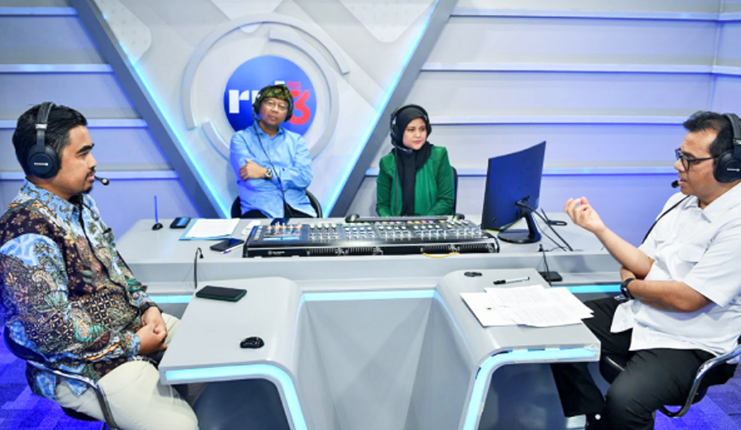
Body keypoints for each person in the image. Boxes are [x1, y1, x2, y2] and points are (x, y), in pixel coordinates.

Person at [0, 103, 198, 430]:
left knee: (210, 359)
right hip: (79, 364)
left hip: (127, 330)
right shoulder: (25, 234)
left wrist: (147, 307)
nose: (93, 162)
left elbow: (114, 266)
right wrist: (135, 344)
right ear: (43, 162)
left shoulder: (80, 203)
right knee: (180, 426)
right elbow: (54, 335)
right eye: (83, 154)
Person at [550, 111, 741, 430]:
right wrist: (599, 229)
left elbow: (688, 299)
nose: (678, 165)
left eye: (690, 160)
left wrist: (631, 287)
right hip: (642, 313)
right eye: (680, 155)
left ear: (729, 166)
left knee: (626, 402)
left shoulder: (736, 224)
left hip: (690, 342)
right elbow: (643, 264)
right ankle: (593, 417)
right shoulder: (680, 202)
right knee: (557, 328)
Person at [229, 83, 316, 218]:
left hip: (298, 209)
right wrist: (288, 179)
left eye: (282, 106)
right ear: (258, 106)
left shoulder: (296, 141)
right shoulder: (241, 139)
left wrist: (265, 172)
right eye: (270, 103)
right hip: (260, 211)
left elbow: (304, 178)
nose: (275, 109)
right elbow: (252, 181)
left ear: (287, 113)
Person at [376, 104, 455, 217]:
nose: (418, 135)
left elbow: (446, 200)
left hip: (432, 224)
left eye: (422, 129)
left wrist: (423, 222)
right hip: (397, 226)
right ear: (398, 132)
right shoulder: (387, 162)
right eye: (411, 130)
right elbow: (382, 205)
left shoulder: (439, 155)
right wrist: (392, 223)